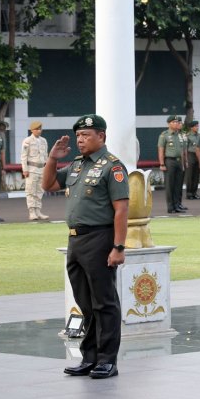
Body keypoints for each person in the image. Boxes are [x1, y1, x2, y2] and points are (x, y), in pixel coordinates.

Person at [42, 114, 129, 380]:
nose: (80, 140)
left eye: (86, 135)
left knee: (104, 302)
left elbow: (122, 209)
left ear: (101, 136)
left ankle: (107, 360)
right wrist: (53, 158)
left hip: (100, 239)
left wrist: (118, 246)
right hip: (76, 240)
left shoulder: (111, 167)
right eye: (78, 136)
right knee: (85, 303)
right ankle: (89, 357)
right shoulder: (77, 165)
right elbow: (48, 184)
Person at [157, 114, 188, 213]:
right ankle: (171, 207)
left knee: (178, 185)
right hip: (170, 161)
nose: (176, 123)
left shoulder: (180, 135)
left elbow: (182, 150)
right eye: (173, 122)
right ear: (168, 124)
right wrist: (162, 164)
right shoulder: (164, 135)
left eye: (177, 122)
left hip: (179, 161)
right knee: (170, 185)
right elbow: (161, 150)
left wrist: (183, 163)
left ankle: (177, 205)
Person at [21, 121, 50, 220]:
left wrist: (47, 168)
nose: (39, 131)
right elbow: (24, 156)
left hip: (42, 168)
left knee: (39, 191)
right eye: (37, 129)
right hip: (31, 169)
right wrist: (25, 169)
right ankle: (32, 212)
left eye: (40, 129)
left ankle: (38, 211)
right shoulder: (27, 141)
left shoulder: (44, 141)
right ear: (32, 130)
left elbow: (46, 156)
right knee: (31, 191)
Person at [184, 120, 200, 200]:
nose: (197, 128)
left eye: (198, 126)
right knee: (190, 175)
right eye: (196, 126)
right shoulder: (188, 136)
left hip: (198, 156)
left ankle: (194, 192)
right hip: (191, 155)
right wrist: (186, 160)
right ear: (192, 127)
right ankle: (189, 193)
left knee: (196, 175)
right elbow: (185, 149)